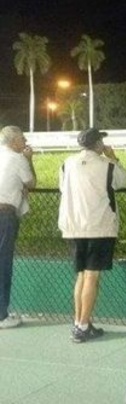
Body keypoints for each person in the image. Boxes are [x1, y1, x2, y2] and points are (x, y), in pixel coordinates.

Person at [58, 127, 126, 343]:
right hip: (99, 226)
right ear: (98, 144)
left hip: (73, 226)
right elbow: (125, 180)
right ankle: (82, 326)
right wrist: (114, 158)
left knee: (82, 276)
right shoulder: (107, 165)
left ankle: (80, 321)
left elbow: (62, 188)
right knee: (92, 276)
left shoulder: (66, 164)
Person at [0, 126, 36, 330]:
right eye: (22, 138)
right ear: (13, 142)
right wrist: (29, 159)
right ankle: (1, 315)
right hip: (4, 215)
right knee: (3, 264)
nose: (25, 141)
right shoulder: (17, 158)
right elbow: (31, 183)